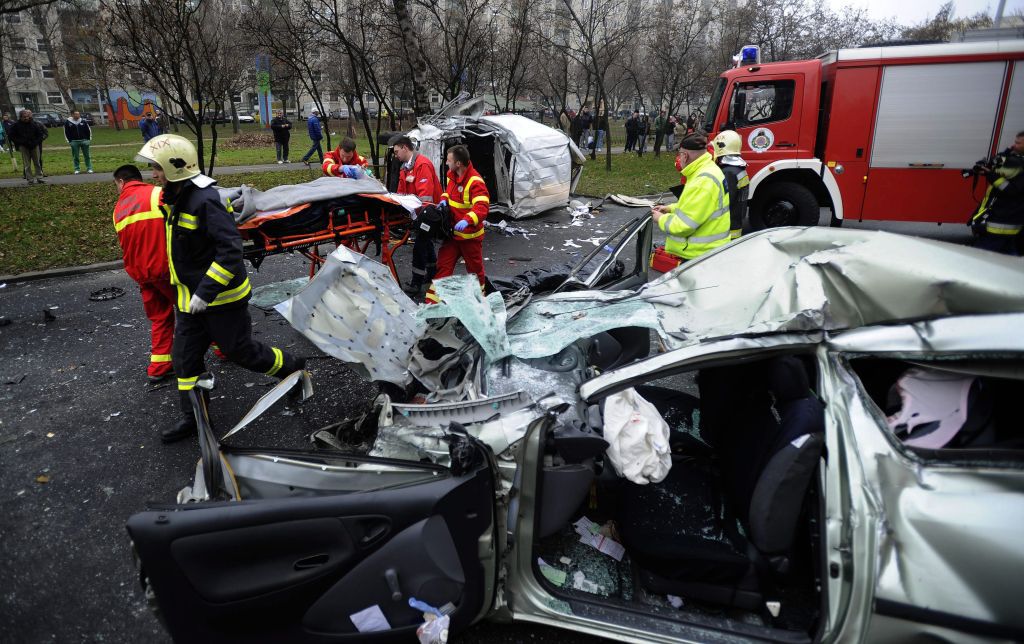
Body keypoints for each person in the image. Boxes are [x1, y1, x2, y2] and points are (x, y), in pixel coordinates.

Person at [135, 134, 304, 443]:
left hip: (222, 300)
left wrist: (205, 292)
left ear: (175, 167)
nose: (153, 174)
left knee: (241, 352)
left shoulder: (206, 200)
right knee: (185, 359)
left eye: (157, 168)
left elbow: (230, 251)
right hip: (190, 302)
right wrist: (193, 295)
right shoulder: (175, 197)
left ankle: (292, 369)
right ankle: (194, 417)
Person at [111, 164, 174, 384]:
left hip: (141, 274)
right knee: (194, 310)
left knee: (160, 316)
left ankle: (159, 366)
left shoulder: (118, 210)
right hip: (164, 268)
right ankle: (223, 348)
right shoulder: (157, 194)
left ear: (121, 182)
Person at [651, 133, 730, 265]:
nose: (679, 158)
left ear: (685, 156)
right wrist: (670, 208)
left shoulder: (702, 181)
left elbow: (684, 226)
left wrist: (660, 218)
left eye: (679, 154)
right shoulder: (708, 169)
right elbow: (698, 208)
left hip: (699, 255)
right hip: (710, 251)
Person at [425, 144, 489, 305]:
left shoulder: (475, 182)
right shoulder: (452, 176)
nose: (446, 163)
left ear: (458, 163)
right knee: (443, 266)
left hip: (470, 237)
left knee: (475, 271)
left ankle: (479, 302)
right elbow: (449, 193)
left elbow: (482, 207)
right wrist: (443, 199)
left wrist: (467, 220)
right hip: (453, 235)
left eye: (449, 160)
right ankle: (431, 304)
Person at [393, 135, 443, 295]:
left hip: (428, 213)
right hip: (418, 213)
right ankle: (432, 272)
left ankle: (416, 283)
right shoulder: (405, 168)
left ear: (405, 148)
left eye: (396, 151)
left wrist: (418, 218)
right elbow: (402, 192)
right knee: (426, 243)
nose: (395, 155)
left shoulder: (422, 165)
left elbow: (426, 197)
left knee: (420, 247)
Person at [970, 130, 1024, 256]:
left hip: (1003, 221)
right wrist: (1006, 153)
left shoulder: (1020, 165)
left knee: (978, 257)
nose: (1014, 145)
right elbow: (1001, 165)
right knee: (1009, 256)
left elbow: (1011, 190)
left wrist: (990, 175)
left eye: (1018, 143)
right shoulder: (1017, 159)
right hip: (1006, 221)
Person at [711, 130, 749, 240]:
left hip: (727, 227)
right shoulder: (738, 169)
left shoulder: (728, 172)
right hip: (736, 220)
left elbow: (725, 200)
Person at [8, 109, 47, 184]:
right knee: (27, 163)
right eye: (24, 117)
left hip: (34, 145)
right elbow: (11, 136)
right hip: (24, 146)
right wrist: (20, 142)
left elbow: (40, 134)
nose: (26, 118)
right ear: (20, 117)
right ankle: (30, 179)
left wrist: (36, 142)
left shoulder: (34, 124)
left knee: (37, 162)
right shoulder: (16, 125)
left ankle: (39, 177)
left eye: (27, 116)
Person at [64, 110, 94, 174]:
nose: (78, 115)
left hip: (84, 141)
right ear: (72, 115)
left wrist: (88, 139)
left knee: (87, 156)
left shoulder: (83, 121)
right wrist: (69, 141)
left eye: (78, 114)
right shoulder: (68, 122)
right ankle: (77, 169)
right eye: (76, 114)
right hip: (74, 142)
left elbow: (88, 130)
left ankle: (89, 168)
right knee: (75, 156)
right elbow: (66, 132)